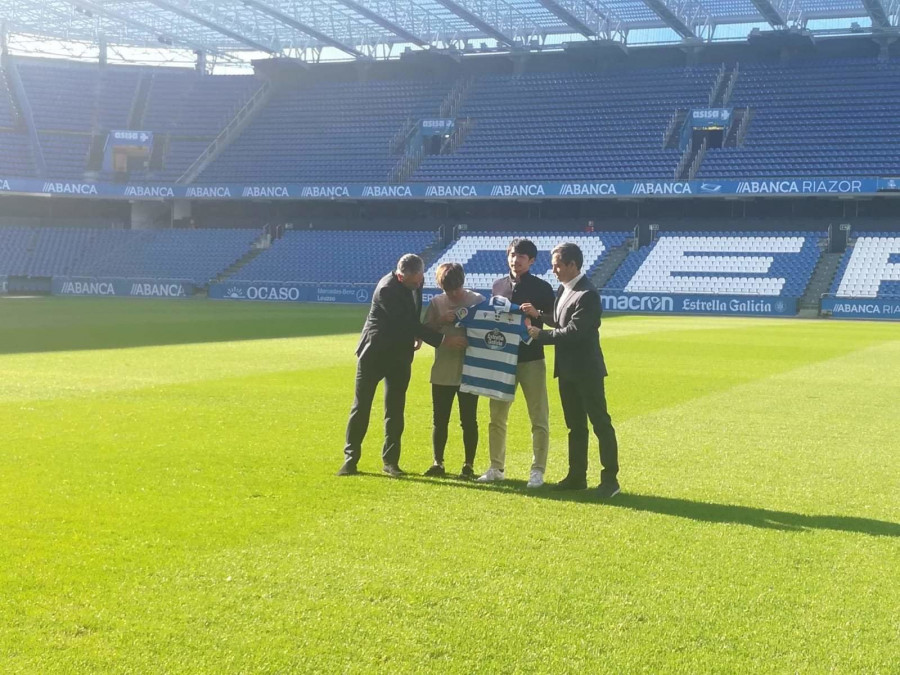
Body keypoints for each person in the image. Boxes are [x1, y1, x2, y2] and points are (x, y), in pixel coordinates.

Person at [338, 254, 464, 478]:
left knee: (395, 409)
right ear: (399, 275)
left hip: (400, 354)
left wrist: (417, 336)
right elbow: (405, 323)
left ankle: (391, 462)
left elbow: (413, 312)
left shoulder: (417, 280)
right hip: (374, 353)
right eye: (413, 282)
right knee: (361, 406)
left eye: (420, 280)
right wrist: (442, 340)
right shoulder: (387, 289)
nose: (418, 284)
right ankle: (350, 460)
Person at [522, 242, 620, 497]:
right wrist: (540, 314)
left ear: (572, 265)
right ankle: (577, 476)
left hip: (586, 370)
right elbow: (561, 320)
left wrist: (540, 335)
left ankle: (610, 481)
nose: (553, 270)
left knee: (600, 424)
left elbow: (575, 331)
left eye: (557, 265)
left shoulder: (588, 293)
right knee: (575, 426)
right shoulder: (564, 289)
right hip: (566, 370)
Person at [477, 238, 555, 488]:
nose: (515, 259)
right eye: (512, 254)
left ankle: (537, 471)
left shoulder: (542, 288)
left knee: (538, 417)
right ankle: (496, 467)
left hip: (532, 359)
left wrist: (537, 315)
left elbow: (556, 321)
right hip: (501, 360)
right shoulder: (498, 285)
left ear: (531, 261)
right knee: (496, 416)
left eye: (521, 256)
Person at [422, 263, 484, 479]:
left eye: (457, 289)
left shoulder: (477, 301)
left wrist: (469, 338)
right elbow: (425, 331)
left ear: (462, 282)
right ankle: (437, 462)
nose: (454, 294)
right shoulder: (436, 303)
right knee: (440, 419)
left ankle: (468, 465)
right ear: (442, 287)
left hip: (470, 370)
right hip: (442, 370)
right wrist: (440, 321)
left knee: (469, 420)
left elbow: (489, 332)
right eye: (449, 290)